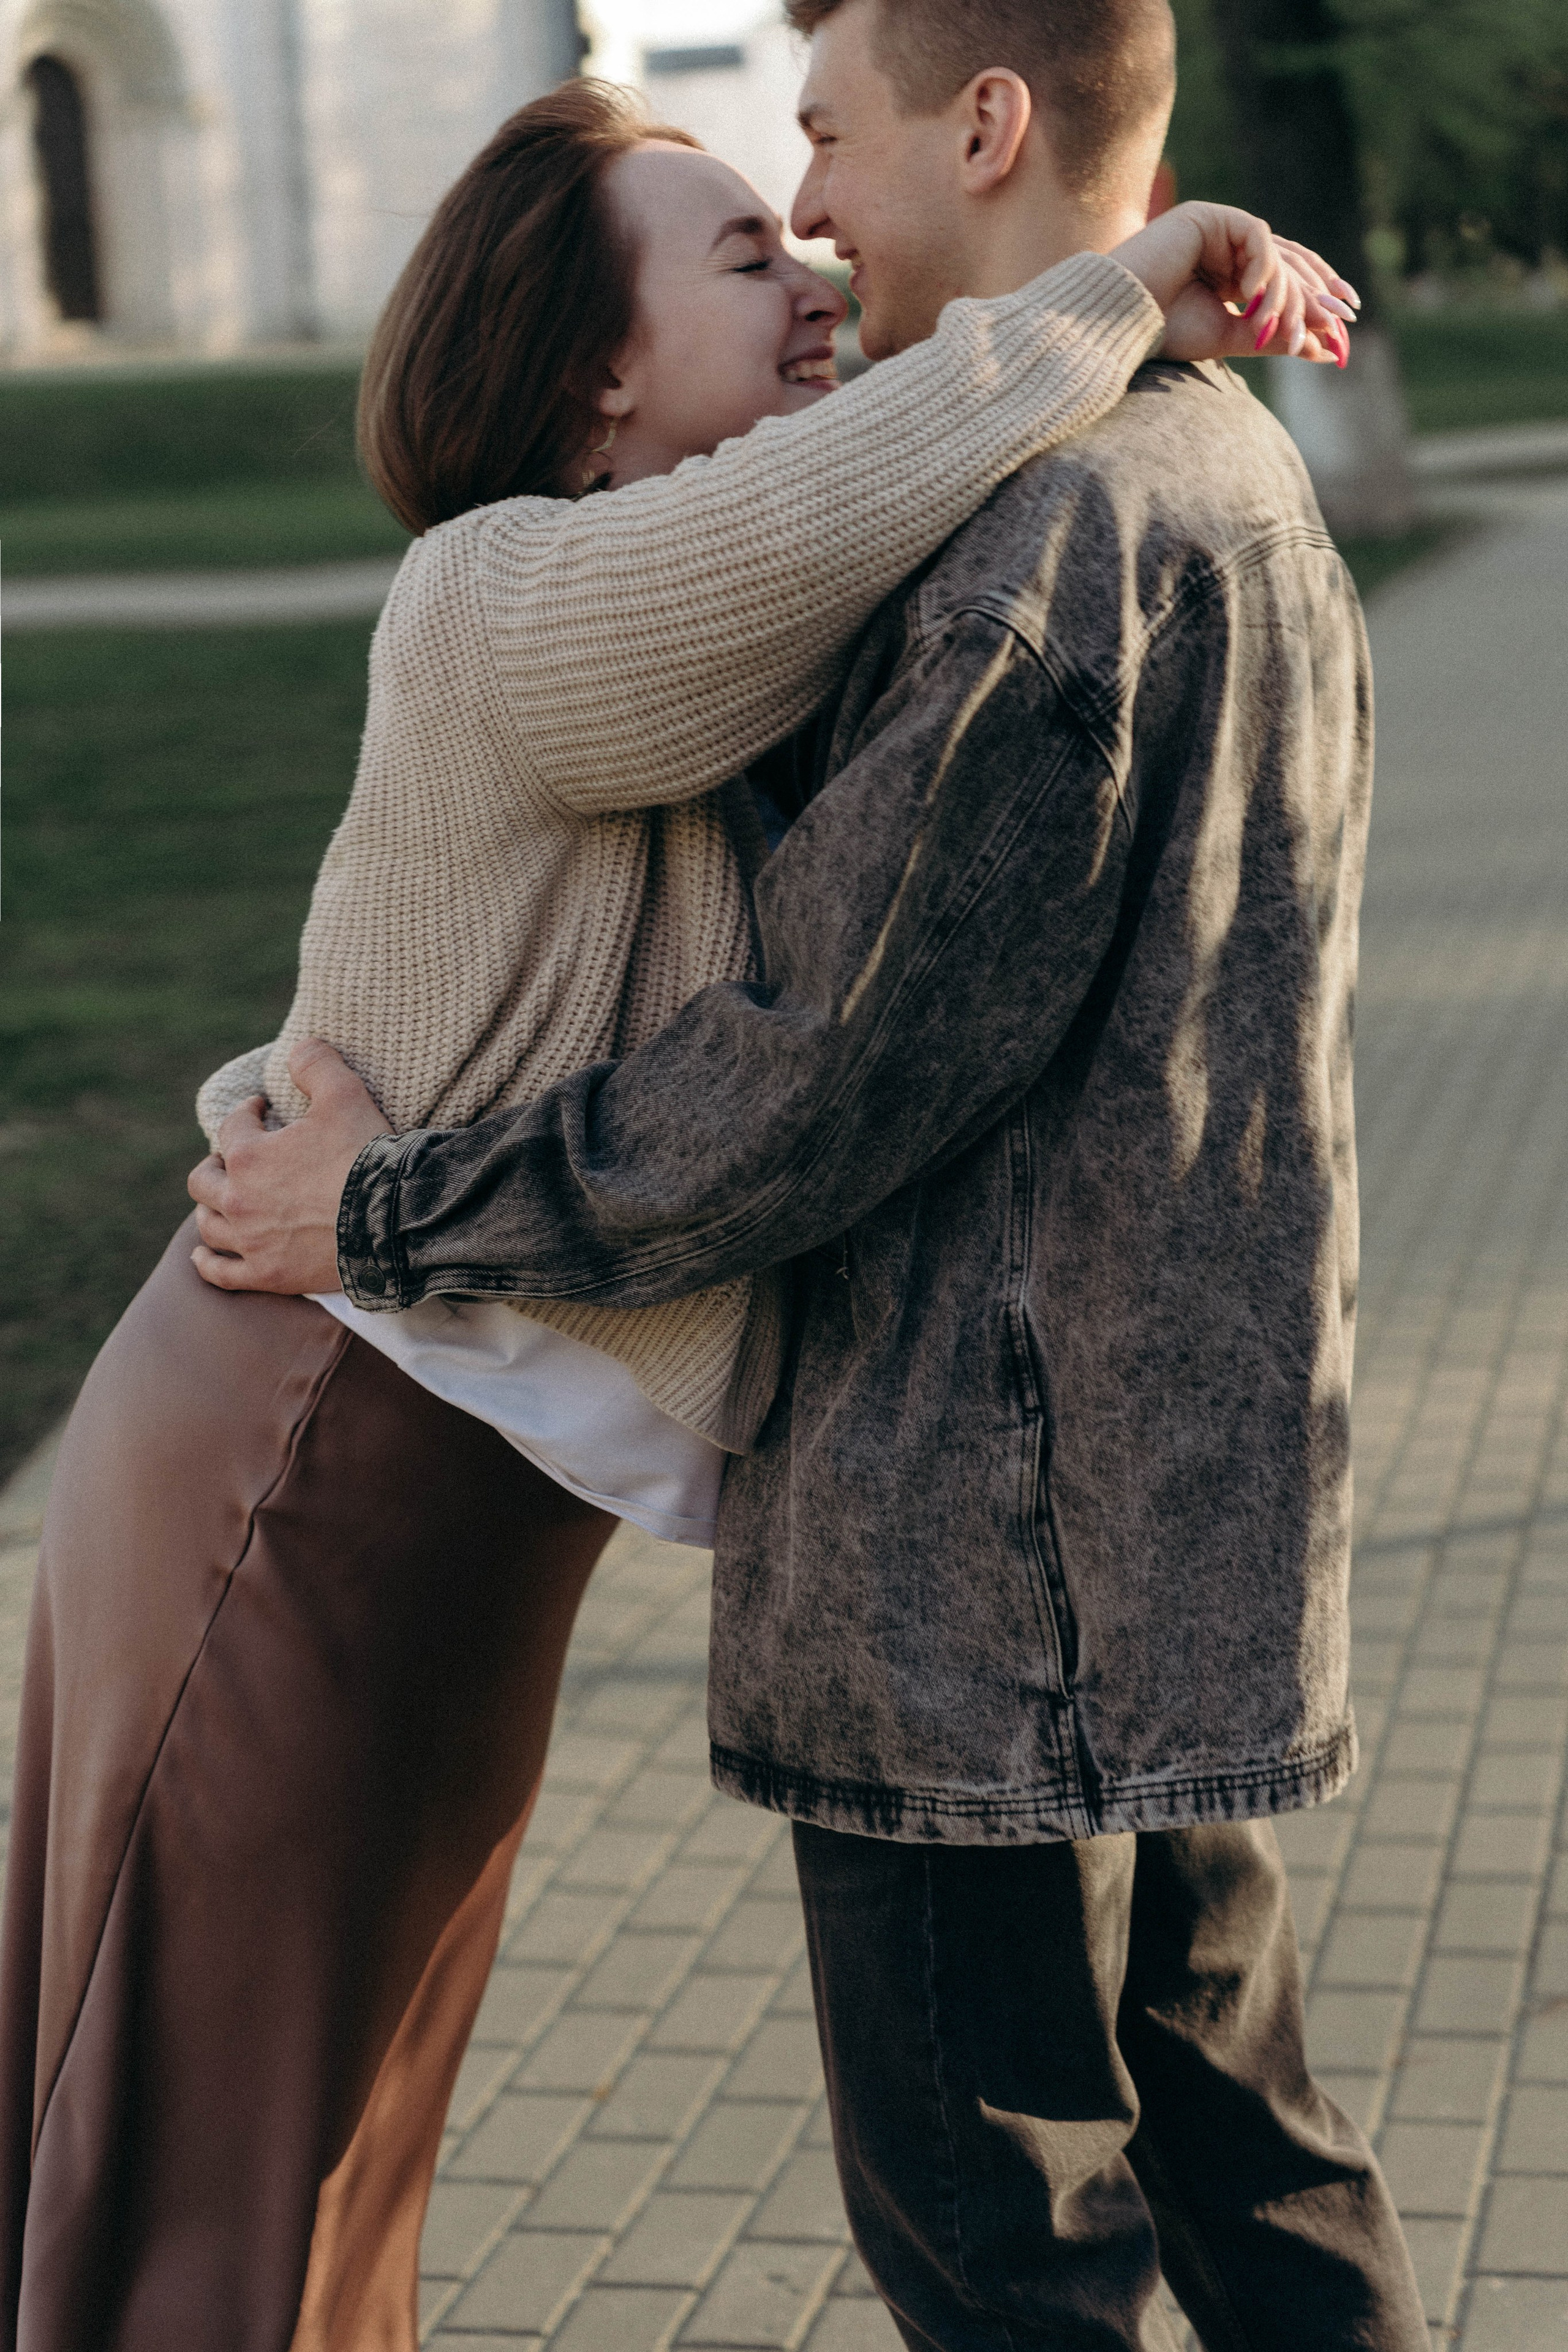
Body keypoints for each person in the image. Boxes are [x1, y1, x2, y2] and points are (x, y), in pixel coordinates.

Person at [0, 62, 1349, 2352]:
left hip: (439, 1464)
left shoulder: (727, 624)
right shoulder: (507, 593)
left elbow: (898, 499)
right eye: (742, 253)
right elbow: (875, 472)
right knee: (209, 2141)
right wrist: (1127, 276)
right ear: (594, 373)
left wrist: (1112, 322)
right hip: (305, 1442)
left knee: (340, 2142)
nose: (811, 264)